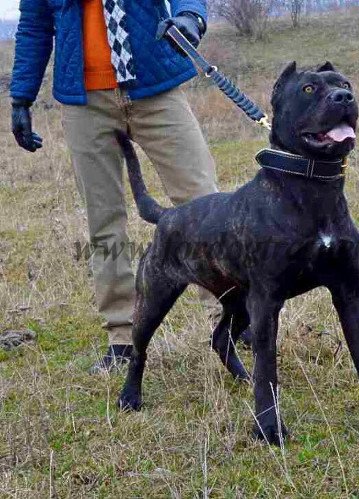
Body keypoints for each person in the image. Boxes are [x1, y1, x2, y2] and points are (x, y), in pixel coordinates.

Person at [10, 0, 217, 372]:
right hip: (85, 101)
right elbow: (34, 26)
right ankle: (123, 338)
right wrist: (21, 97)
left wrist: (191, 17)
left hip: (156, 88)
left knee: (204, 206)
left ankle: (229, 320)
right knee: (104, 221)